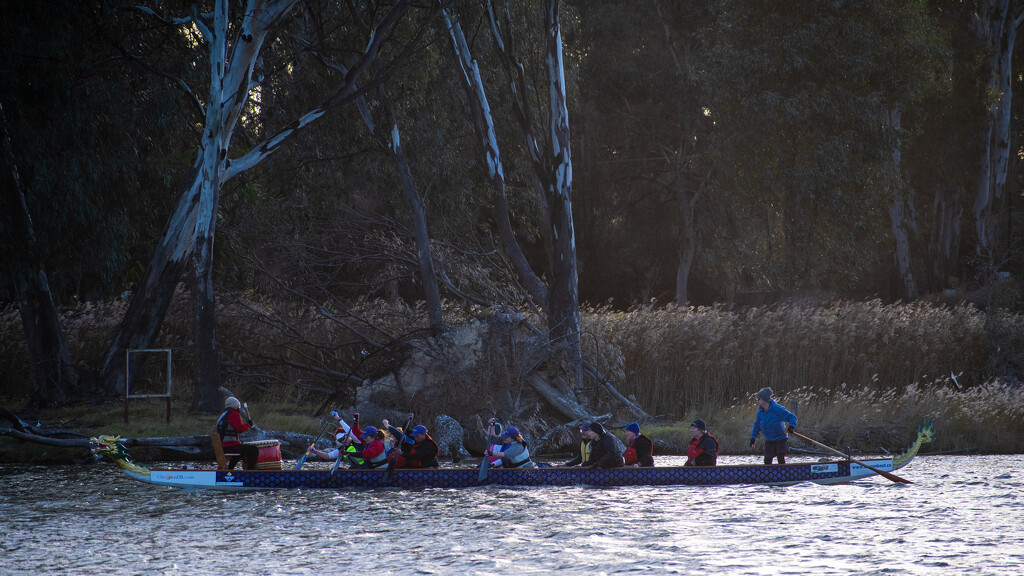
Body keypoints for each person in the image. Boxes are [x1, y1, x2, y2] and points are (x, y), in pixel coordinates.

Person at [750, 387, 797, 464]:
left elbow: (792, 417)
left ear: (764, 399)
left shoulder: (777, 409)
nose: (756, 401)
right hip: (769, 440)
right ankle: (768, 474)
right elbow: (757, 426)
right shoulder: (760, 413)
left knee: (780, 458)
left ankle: (783, 473)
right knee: (767, 461)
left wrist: (791, 426)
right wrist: (753, 438)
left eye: (758, 399)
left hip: (781, 439)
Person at [217, 397, 257, 469]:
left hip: (223, 446)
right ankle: (251, 472)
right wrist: (248, 424)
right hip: (229, 446)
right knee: (253, 449)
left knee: (241, 451)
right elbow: (240, 429)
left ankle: (230, 470)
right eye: (238, 406)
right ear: (235, 406)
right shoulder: (233, 413)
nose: (239, 408)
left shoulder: (223, 414)